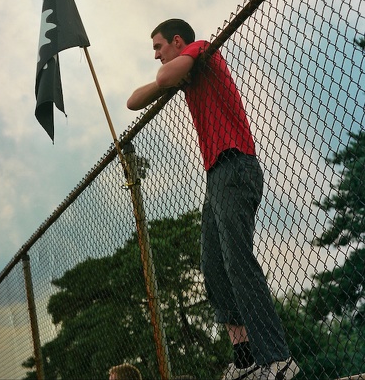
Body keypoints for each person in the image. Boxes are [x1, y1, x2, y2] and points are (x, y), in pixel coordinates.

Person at [127, 19, 299, 380]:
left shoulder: (202, 48)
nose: (156, 56)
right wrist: (172, 80)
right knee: (214, 266)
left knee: (238, 260)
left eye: (158, 48)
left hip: (236, 163)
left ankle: (278, 358)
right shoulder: (181, 72)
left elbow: (160, 80)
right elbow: (132, 102)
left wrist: (171, 78)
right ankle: (246, 357)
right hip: (215, 175)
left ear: (177, 42)